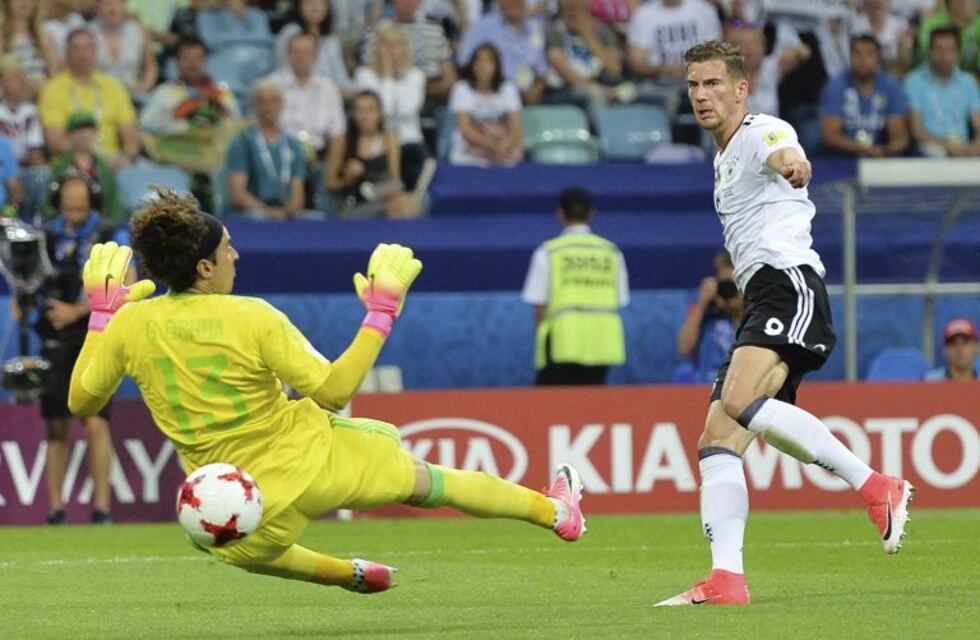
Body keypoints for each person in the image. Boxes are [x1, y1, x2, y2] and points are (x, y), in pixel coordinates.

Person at [66, 190, 586, 592]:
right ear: (204, 268)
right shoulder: (254, 317)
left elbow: (81, 404)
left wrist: (101, 318)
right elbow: (333, 392)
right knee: (431, 483)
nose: (236, 255)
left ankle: (349, 575)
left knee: (234, 548)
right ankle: (557, 513)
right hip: (313, 460)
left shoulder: (130, 325)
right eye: (228, 250)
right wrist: (380, 316)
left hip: (235, 506)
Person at [655, 40, 915, 607]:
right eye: (694, 85)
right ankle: (727, 580)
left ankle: (877, 486)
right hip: (762, 298)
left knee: (740, 399)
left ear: (741, 88)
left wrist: (793, 165)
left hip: (788, 284)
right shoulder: (722, 157)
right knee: (717, 441)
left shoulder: (759, 131)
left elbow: (785, 152)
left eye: (713, 84)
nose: (702, 95)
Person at [12, 172, 130, 524]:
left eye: (80, 193)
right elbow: (30, 279)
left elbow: (127, 285)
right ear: (57, 197)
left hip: (96, 337)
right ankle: (56, 509)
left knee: (96, 421)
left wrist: (76, 311)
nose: (73, 201)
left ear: (91, 197)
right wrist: (24, 299)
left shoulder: (111, 234)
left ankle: (102, 509)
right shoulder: (45, 235)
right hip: (55, 339)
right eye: (67, 194)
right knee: (56, 424)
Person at [521, 186, 628, 386]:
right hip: (603, 344)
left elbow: (539, 307)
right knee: (593, 409)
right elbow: (620, 300)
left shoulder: (548, 252)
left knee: (553, 411)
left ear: (560, 213)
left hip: (562, 344)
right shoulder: (612, 253)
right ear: (592, 213)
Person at [38, 28, 139, 166]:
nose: (83, 53)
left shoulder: (114, 86)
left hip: (115, 161)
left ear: (96, 52)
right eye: (76, 48)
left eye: (88, 48)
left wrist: (127, 157)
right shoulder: (53, 89)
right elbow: (55, 141)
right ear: (67, 53)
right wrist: (94, 160)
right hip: (72, 163)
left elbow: (130, 135)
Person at [354, 24, 428, 191]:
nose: (391, 50)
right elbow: (382, 112)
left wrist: (388, 80)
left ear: (405, 48)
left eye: (397, 44)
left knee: (415, 165)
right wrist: (387, 75)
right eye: (386, 44)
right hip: (376, 143)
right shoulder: (364, 75)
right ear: (377, 47)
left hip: (409, 141)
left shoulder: (416, 76)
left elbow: (407, 108)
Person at [325, 90, 418, 218]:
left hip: (382, 198)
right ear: (353, 114)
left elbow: (395, 179)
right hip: (354, 203)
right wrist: (348, 179)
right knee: (398, 206)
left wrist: (380, 191)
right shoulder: (342, 141)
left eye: (370, 110)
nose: (365, 116)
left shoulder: (389, 139)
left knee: (404, 202)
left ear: (380, 113)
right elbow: (330, 184)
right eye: (360, 111)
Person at [225, 81, 308, 220]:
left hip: (286, 212)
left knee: (314, 220)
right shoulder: (242, 142)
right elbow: (238, 194)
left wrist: (288, 212)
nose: (268, 107)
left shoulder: (293, 144)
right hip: (253, 212)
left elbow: (298, 191)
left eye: (273, 101)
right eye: (262, 101)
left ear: (282, 105)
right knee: (257, 217)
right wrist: (269, 212)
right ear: (253, 105)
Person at [819, 35, 910, 157]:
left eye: (869, 54)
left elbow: (898, 137)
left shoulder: (890, 86)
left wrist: (885, 150)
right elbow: (830, 136)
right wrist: (864, 149)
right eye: (857, 54)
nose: (863, 59)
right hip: (842, 156)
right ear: (850, 57)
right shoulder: (836, 85)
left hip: (881, 155)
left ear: (878, 59)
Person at [360, 0, 457, 103]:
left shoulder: (434, 30)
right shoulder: (378, 31)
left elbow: (449, 74)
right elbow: (369, 69)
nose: (409, 2)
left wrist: (431, 89)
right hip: (388, 94)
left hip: (432, 97)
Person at [904, 27, 980, 157]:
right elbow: (916, 131)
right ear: (929, 51)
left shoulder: (968, 82)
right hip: (929, 146)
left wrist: (976, 146)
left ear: (957, 53)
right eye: (938, 49)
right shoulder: (914, 81)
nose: (943, 56)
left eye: (949, 50)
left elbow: (978, 122)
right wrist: (948, 147)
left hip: (963, 146)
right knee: (936, 152)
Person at [457, 0, 549, 105]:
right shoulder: (481, 28)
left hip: (530, 97)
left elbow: (542, 72)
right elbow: (464, 64)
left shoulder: (534, 28)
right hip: (494, 97)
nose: (515, 3)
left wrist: (536, 90)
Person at [449, 43, 525, 167]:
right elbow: (466, 129)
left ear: (497, 66)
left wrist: (504, 145)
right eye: (479, 61)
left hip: (503, 150)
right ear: (472, 65)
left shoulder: (508, 88)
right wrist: (491, 145)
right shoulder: (462, 88)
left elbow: (516, 128)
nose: (483, 66)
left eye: (488, 61)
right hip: (470, 151)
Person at [676, 249, 742, 384]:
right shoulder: (704, 309)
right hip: (707, 384)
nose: (728, 291)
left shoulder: (756, 309)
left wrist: (739, 311)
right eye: (724, 284)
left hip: (741, 383)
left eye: (734, 285)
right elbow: (684, 348)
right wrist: (702, 305)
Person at [47, 111, 124, 220]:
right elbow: (50, 204)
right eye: (78, 130)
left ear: (95, 132)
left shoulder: (104, 168)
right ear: (69, 134)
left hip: (100, 226)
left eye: (88, 129)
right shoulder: (61, 167)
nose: (83, 134)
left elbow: (113, 204)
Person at [275, 0, 353, 95]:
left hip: (329, 97)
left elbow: (341, 80)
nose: (315, 6)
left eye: (320, 2)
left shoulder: (332, 42)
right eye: (309, 2)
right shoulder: (290, 33)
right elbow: (282, 70)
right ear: (299, 6)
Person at [88, 0, 159, 97]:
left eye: (117, 3)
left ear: (125, 4)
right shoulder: (87, 33)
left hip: (132, 94)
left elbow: (151, 67)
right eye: (106, 3)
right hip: (96, 95)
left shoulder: (139, 31)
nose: (112, 8)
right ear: (97, 6)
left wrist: (144, 86)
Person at [0, 0, 58, 97]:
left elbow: (55, 77)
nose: (24, 2)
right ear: (7, 2)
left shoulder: (45, 37)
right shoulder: (2, 37)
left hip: (42, 98)